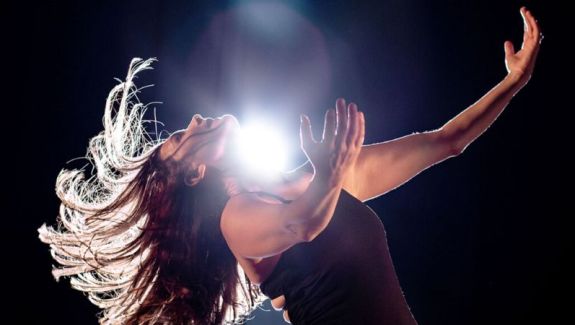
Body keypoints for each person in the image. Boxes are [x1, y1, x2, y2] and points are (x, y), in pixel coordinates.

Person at [38, 6, 542, 325]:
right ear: (193, 174)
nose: (191, 119)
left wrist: (513, 83)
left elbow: (445, 142)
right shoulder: (237, 219)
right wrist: (328, 172)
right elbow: (301, 224)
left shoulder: (309, 181)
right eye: (179, 138)